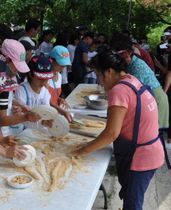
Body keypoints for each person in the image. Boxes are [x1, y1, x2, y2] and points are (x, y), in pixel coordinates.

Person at [67, 49, 164, 210]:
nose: (100, 82)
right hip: (151, 148)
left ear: (109, 71)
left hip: (141, 156)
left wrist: (81, 151)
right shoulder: (131, 79)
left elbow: (111, 133)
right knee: (130, 199)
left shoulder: (119, 91)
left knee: (133, 204)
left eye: (99, 75)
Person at [110, 33, 169, 132]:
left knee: (153, 134)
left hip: (156, 99)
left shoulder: (137, 66)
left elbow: (135, 94)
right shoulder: (129, 62)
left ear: (129, 53)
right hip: (149, 98)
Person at [14, 56, 55, 130]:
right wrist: (42, 123)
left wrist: (48, 119)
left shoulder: (45, 92)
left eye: (46, 79)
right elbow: (20, 116)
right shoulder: (21, 90)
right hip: (20, 130)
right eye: (40, 78)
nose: (43, 81)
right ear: (30, 74)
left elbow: (47, 111)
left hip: (37, 128)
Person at [47, 46, 73, 122]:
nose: (62, 67)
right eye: (60, 63)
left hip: (55, 114)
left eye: (64, 64)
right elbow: (45, 100)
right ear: (51, 60)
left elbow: (55, 95)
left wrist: (60, 99)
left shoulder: (59, 76)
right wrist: (63, 111)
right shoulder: (44, 78)